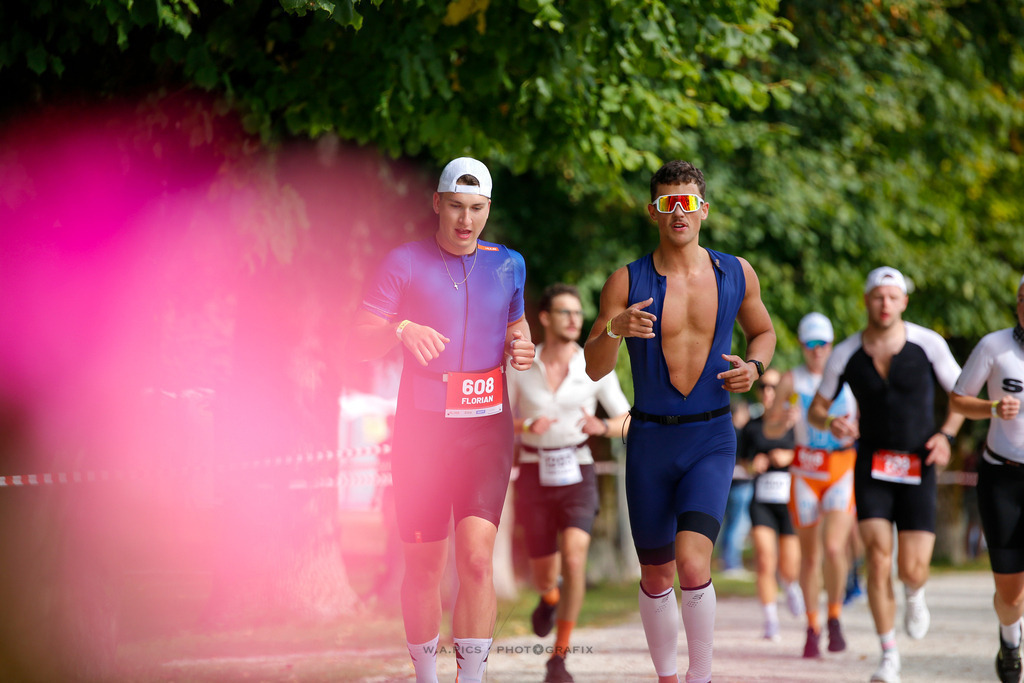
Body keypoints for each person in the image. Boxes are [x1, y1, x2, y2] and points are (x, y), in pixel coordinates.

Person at [583, 160, 776, 683]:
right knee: (655, 573)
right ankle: (667, 676)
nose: (678, 213)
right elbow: (594, 365)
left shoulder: (736, 271)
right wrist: (614, 329)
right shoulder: (626, 279)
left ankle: (701, 676)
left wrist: (755, 368)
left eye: (687, 202)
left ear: (703, 210)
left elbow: (763, 332)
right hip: (649, 438)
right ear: (653, 211)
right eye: (667, 203)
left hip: (710, 435)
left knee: (694, 563)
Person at [352, 157, 536, 683]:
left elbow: (515, 327)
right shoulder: (403, 262)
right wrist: (400, 328)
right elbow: (359, 338)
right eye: (456, 206)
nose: (465, 220)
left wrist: (519, 347)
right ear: (437, 202)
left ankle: (472, 679)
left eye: (477, 209)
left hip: (486, 427)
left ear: (488, 210)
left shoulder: (510, 264)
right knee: (425, 568)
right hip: (424, 432)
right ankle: (426, 677)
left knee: (476, 560)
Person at [807, 267, 964, 683]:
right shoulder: (845, 353)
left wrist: (946, 435)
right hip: (872, 466)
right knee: (877, 558)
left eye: (893, 297)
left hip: (919, 464)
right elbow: (816, 410)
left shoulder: (928, 344)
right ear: (867, 301)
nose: (885, 304)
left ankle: (915, 592)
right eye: (878, 297)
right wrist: (832, 423)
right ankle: (888, 654)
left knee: (912, 568)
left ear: (904, 303)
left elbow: (962, 398)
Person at [508, 282, 631, 683]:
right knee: (545, 573)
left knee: (575, 557)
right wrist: (526, 424)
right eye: (565, 312)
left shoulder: (593, 365)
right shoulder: (521, 365)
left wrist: (603, 426)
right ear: (545, 318)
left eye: (578, 313)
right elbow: (495, 420)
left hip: (577, 470)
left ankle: (559, 657)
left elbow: (627, 418)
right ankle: (549, 597)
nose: (575, 320)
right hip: (532, 471)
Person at [764, 311, 860, 658]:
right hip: (805, 470)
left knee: (834, 548)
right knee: (810, 556)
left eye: (823, 344)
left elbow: (867, 425)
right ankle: (812, 625)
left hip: (839, 468)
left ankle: (834, 616)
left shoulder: (850, 381)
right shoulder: (792, 381)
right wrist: (784, 422)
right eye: (811, 344)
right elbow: (770, 430)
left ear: (832, 345)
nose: (818, 351)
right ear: (803, 347)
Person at [949, 274, 1024, 683]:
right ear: (1016, 304)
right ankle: (1010, 639)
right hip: (1003, 477)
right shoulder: (995, 346)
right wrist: (993, 407)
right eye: (1023, 299)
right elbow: (958, 400)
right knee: (1011, 593)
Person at [741, 368, 804, 642]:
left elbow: (813, 455)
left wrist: (788, 455)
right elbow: (741, 460)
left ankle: (791, 585)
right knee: (765, 560)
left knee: (789, 567)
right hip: (762, 501)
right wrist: (752, 464)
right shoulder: (751, 427)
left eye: (773, 387)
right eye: (763, 387)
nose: (768, 392)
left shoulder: (798, 425)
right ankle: (770, 622)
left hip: (791, 502)